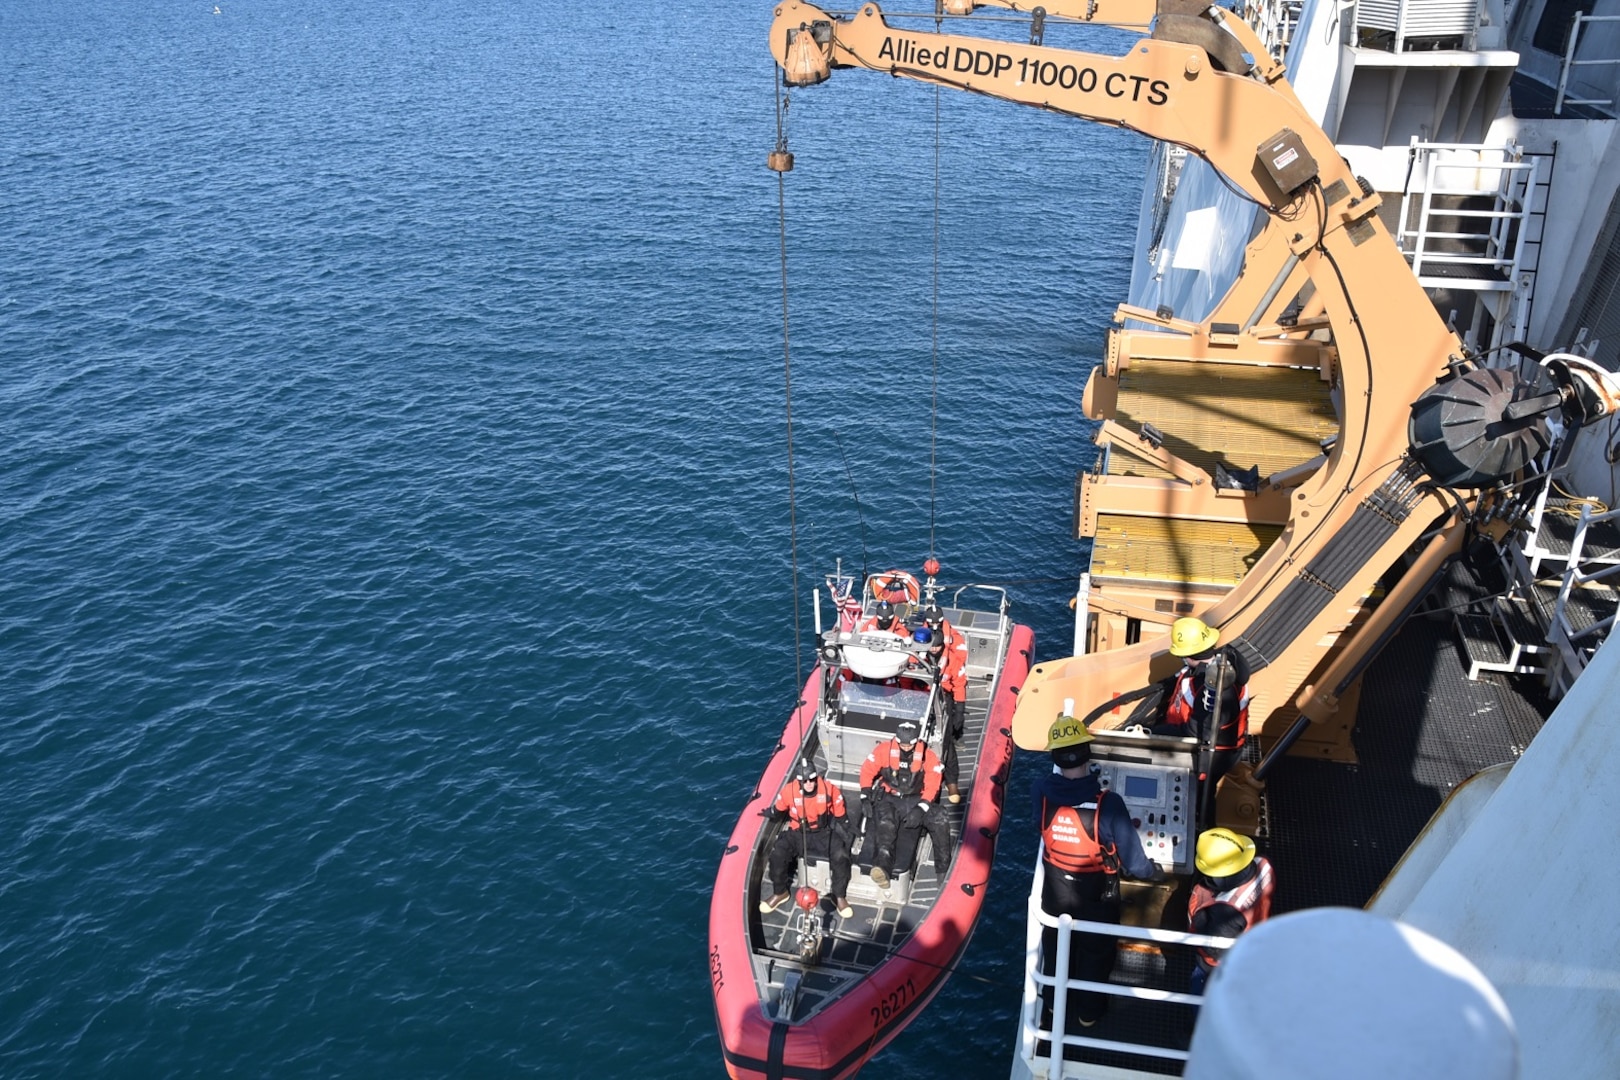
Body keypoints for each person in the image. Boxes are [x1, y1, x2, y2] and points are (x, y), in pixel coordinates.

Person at [1033, 716, 1158, 1027]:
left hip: (1055, 890)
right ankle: (1088, 1013)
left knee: (1056, 946)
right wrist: (1153, 872)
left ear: (1054, 757)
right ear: (1088, 754)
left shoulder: (1041, 792)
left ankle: (1052, 1006)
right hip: (1096, 893)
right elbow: (1136, 863)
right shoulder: (1110, 803)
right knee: (1096, 950)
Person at [1152, 616, 1251, 787]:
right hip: (1210, 751)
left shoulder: (1216, 685)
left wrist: (1154, 733)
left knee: (1195, 804)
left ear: (1188, 655)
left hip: (1210, 759)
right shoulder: (1220, 665)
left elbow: (1198, 731)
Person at [858, 719, 951, 887]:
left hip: (916, 799)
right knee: (886, 827)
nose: (906, 748)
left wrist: (921, 808)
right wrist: (865, 796)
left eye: (910, 745)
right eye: (903, 745)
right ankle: (882, 869)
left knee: (940, 818)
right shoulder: (883, 751)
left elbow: (933, 783)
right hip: (889, 798)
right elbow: (867, 770)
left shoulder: (927, 756)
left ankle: (943, 870)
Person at [761, 759, 856, 919]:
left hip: (822, 832)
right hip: (797, 832)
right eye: (805, 781)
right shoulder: (788, 791)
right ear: (799, 781)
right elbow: (778, 809)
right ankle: (780, 892)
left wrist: (847, 826)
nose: (810, 784)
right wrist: (770, 813)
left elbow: (839, 811)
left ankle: (838, 895)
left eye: (812, 779)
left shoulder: (828, 789)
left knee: (841, 856)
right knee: (778, 855)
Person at [1186, 827, 1274, 994]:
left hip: (1218, 968)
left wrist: (1200, 920)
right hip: (1256, 936)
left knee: (1203, 997)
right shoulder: (1263, 864)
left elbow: (1214, 950)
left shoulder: (1224, 911)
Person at [922, 604, 969, 803]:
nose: (934, 649)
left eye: (937, 646)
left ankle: (951, 782)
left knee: (946, 740)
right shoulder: (918, 657)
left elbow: (959, 684)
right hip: (921, 698)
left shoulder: (952, 660)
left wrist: (959, 710)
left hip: (943, 698)